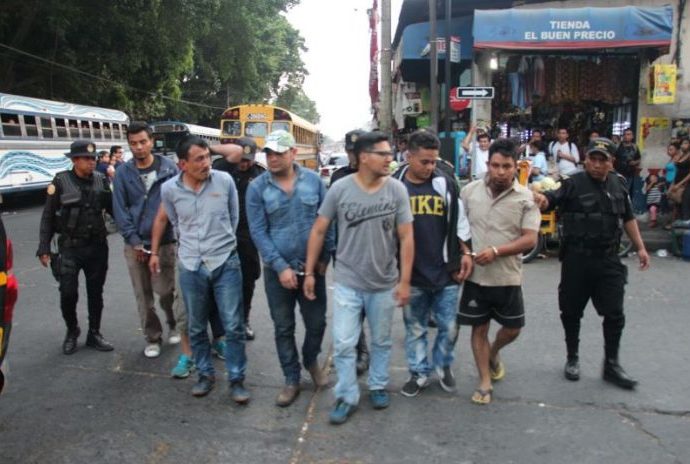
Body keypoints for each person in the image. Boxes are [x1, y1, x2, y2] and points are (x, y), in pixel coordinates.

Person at [303, 131, 414, 425]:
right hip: (349, 282)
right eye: (384, 154)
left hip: (384, 282)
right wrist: (310, 272)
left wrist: (404, 282)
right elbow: (318, 230)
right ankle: (347, 395)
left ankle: (378, 385)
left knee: (381, 340)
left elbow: (406, 236)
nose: (391, 158)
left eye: (391, 154)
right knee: (343, 342)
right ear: (364, 157)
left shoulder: (396, 190)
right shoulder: (340, 189)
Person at [534, 138, 650, 390]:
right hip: (577, 259)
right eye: (593, 159)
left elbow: (628, 218)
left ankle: (611, 364)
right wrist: (541, 199)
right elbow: (551, 198)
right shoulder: (573, 183)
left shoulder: (619, 184)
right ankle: (572, 358)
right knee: (572, 311)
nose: (597, 165)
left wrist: (640, 247)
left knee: (615, 313)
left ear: (611, 163)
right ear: (586, 159)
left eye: (602, 160)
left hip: (608, 260)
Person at [149, 135, 250, 403]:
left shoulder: (224, 181)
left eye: (207, 157)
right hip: (191, 265)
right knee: (195, 326)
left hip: (225, 262)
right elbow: (174, 221)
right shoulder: (169, 190)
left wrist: (221, 245)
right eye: (199, 159)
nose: (206, 163)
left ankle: (237, 380)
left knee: (233, 325)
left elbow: (233, 216)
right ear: (183, 164)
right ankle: (205, 375)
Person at [246, 130, 334, 407]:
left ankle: (311, 360)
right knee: (283, 327)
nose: (272, 158)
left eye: (278, 153)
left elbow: (327, 220)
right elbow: (258, 232)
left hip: (312, 270)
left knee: (317, 322)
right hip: (277, 273)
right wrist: (281, 267)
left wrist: (324, 259)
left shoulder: (314, 183)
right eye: (269, 153)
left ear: (293, 153)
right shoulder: (257, 188)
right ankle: (291, 378)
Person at [458, 138, 541, 405]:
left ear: (516, 166)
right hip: (476, 278)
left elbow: (530, 239)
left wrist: (496, 251)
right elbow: (461, 229)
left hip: (507, 276)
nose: (501, 172)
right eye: (495, 165)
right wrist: (465, 253)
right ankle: (484, 380)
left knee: (513, 329)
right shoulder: (469, 192)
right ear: (488, 164)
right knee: (478, 328)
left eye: (507, 166)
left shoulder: (527, 198)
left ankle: (494, 352)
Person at [391, 130, 473, 397]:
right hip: (411, 274)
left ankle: (443, 365)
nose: (430, 167)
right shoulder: (395, 185)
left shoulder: (445, 183)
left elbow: (459, 221)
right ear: (408, 156)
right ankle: (419, 372)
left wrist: (466, 254)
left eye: (434, 161)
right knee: (415, 329)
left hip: (445, 271)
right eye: (424, 161)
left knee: (449, 327)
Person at [37, 140, 114, 354]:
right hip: (70, 248)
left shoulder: (101, 180)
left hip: (97, 247)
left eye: (93, 158)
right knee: (68, 293)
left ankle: (94, 333)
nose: (92, 162)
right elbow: (48, 216)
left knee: (95, 292)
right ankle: (72, 330)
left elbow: (114, 209)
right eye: (87, 158)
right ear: (74, 160)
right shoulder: (61, 181)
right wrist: (44, 247)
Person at [112, 121, 179, 358]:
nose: (139, 147)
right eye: (133, 144)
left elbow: (177, 204)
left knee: (166, 291)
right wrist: (135, 242)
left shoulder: (169, 169)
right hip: (135, 245)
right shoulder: (123, 172)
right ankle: (153, 337)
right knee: (143, 295)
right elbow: (120, 210)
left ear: (152, 141)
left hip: (165, 243)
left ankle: (173, 323)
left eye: (143, 142)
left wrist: (160, 244)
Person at [213, 137, 265, 341]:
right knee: (220, 281)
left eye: (248, 159)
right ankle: (221, 325)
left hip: (248, 238)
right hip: (222, 235)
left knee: (247, 281)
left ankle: (244, 320)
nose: (244, 163)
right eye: (241, 159)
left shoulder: (260, 175)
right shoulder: (221, 169)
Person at [329, 129, 371, 376]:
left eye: (358, 151)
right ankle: (359, 349)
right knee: (350, 304)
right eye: (350, 151)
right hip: (345, 252)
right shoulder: (339, 178)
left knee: (371, 305)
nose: (354, 155)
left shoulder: (378, 176)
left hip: (373, 253)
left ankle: (363, 348)